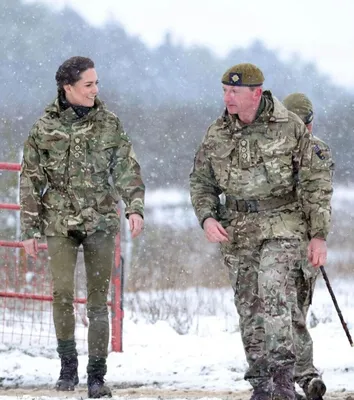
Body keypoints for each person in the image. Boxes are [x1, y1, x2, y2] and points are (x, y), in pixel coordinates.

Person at [189, 63, 333, 400]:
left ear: (256, 92)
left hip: (282, 221)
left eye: (234, 92)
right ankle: (261, 383)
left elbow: (315, 184)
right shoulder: (217, 133)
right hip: (237, 229)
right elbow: (201, 181)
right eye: (224, 91)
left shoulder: (289, 127)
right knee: (248, 303)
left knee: (274, 290)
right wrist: (207, 217)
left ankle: (284, 378)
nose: (228, 98)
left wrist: (318, 234)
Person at [20, 56, 145, 398]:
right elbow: (30, 179)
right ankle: (67, 367)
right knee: (61, 294)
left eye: (96, 83)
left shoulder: (109, 123)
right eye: (88, 84)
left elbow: (126, 167)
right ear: (68, 88)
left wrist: (134, 207)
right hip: (59, 220)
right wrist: (28, 229)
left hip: (100, 221)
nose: (96, 90)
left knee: (97, 300)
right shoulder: (44, 128)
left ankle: (96, 375)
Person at [283, 93, 333, 400]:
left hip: (286, 241)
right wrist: (319, 235)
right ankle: (298, 375)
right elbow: (321, 201)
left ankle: (294, 375)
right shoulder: (320, 151)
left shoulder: (275, 147)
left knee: (288, 312)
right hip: (305, 241)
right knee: (293, 310)